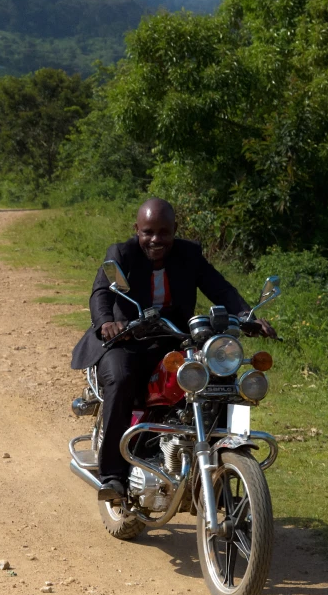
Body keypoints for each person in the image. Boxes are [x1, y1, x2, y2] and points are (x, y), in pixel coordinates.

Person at [70, 198, 275, 502]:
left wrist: (246, 316)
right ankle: (113, 476)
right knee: (123, 379)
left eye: (164, 232)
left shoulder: (188, 254)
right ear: (136, 230)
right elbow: (101, 292)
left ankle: (222, 463)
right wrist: (105, 324)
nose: (156, 240)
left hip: (174, 337)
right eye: (148, 232)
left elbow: (219, 288)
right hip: (126, 338)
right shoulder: (121, 253)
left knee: (221, 378)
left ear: (174, 231)